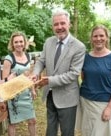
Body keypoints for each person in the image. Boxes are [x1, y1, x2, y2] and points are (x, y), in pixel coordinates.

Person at [32, 8, 86, 136]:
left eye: (62, 23)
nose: (59, 27)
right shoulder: (48, 42)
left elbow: (73, 74)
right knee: (50, 130)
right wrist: (35, 73)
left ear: (69, 24)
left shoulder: (79, 47)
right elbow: (41, 61)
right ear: (52, 26)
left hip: (68, 98)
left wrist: (49, 80)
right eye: (56, 24)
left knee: (67, 132)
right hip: (50, 95)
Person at [79, 25, 111, 136]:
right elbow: (84, 78)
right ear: (91, 39)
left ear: (107, 38)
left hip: (104, 105)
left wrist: (109, 108)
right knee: (88, 132)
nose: (98, 39)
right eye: (95, 36)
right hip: (86, 102)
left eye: (101, 36)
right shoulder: (85, 57)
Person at [2, 31, 37, 136]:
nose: (19, 44)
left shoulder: (29, 56)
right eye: (16, 42)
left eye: (21, 41)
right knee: (13, 123)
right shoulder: (9, 59)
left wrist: (33, 90)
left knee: (32, 120)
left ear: (25, 42)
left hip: (26, 94)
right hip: (14, 96)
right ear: (12, 44)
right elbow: (4, 80)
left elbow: (30, 76)